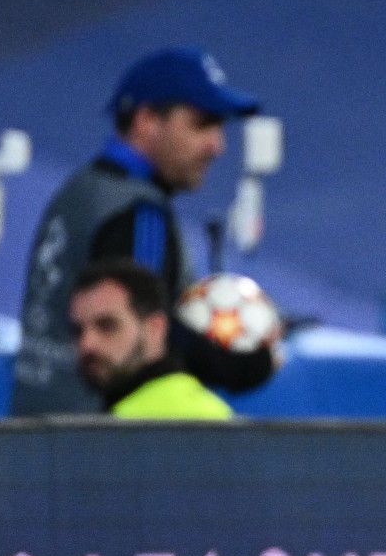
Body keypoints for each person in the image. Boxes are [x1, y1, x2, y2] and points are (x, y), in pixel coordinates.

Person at [15, 46, 271, 415]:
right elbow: (141, 350)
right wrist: (244, 360)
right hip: (107, 437)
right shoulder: (137, 212)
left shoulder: (80, 191)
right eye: (202, 124)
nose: (217, 145)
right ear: (147, 120)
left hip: (36, 424)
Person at [69, 259, 232, 420]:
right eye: (78, 331)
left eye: (107, 325)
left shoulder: (132, 425)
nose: (87, 344)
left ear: (155, 328)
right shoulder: (209, 410)